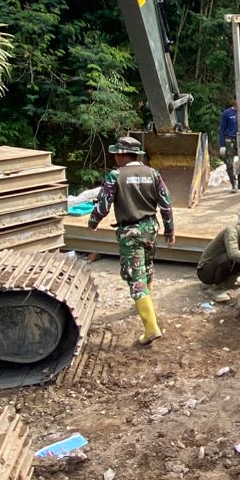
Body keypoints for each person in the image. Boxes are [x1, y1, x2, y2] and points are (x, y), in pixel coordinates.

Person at [88, 135, 175, 344]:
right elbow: (166, 204)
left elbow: (103, 204)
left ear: (120, 155)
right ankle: (146, 302)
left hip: (130, 232)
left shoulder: (115, 176)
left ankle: (151, 328)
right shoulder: (153, 173)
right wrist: (169, 230)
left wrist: (93, 221)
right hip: (150, 228)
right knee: (146, 266)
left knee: (135, 276)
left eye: (116, 154)